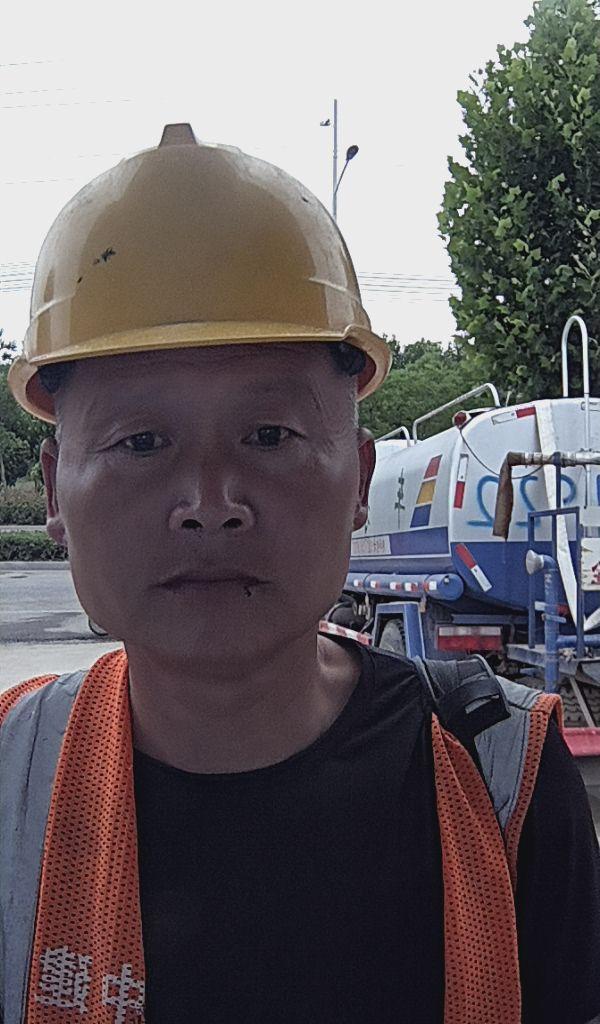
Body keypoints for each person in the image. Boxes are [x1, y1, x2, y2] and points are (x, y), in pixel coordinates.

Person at [2, 123, 600, 1024]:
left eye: (269, 435)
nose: (209, 502)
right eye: (142, 442)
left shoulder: (502, 777)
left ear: (358, 479)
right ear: (54, 492)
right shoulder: (12, 779)